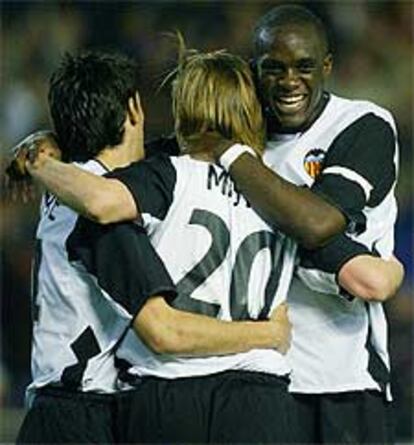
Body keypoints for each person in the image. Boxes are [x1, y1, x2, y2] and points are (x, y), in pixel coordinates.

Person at [13, 50, 292, 444]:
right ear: (134, 109)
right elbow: (163, 330)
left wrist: (38, 153)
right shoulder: (104, 215)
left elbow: (177, 152)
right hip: (84, 412)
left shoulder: (74, 182)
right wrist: (267, 334)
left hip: (62, 406)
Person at [206, 4, 402, 443]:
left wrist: (237, 171)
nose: (290, 81)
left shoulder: (362, 124)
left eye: (304, 66)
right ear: (254, 71)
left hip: (344, 379)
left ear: (327, 66)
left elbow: (318, 222)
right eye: (273, 68)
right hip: (254, 378)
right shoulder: (238, 138)